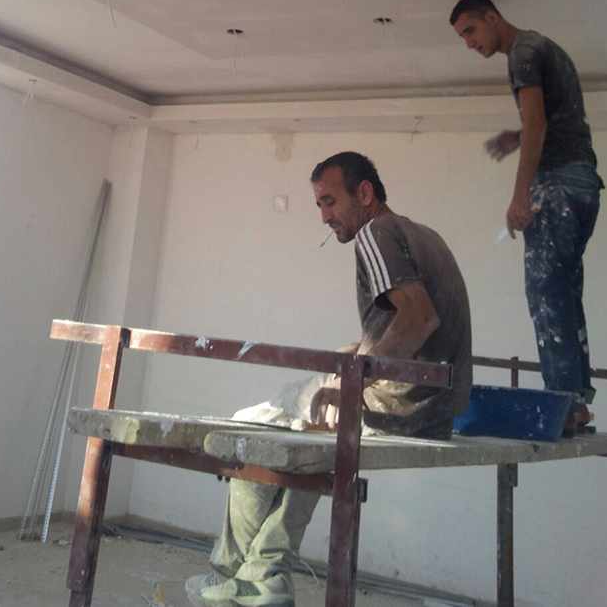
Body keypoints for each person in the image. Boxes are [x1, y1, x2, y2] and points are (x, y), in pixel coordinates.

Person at [186, 151, 472, 607]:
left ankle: (233, 573)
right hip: (434, 411)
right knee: (307, 440)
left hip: (397, 406)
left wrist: (351, 382)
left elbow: (419, 318)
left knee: (250, 428)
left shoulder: (376, 233)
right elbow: (406, 328)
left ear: (365, 193)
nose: (324, 216)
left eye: (330, 201)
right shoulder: (426, 236)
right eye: (319, 205)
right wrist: (357, 353)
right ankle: (265, 574)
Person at [449, 0, 603, 433]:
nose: (469, 43)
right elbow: (555, 119)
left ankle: (564, 405)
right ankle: (576, 401)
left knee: (545, 293)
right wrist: (517, 137)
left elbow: (538, 123)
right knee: (564, 293)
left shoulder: (522, 54)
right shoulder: (544, 46)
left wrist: (520, 197)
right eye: (462, 37)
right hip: (584, 186)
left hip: (557, 187)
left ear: (492, 18)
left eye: (471, 31)